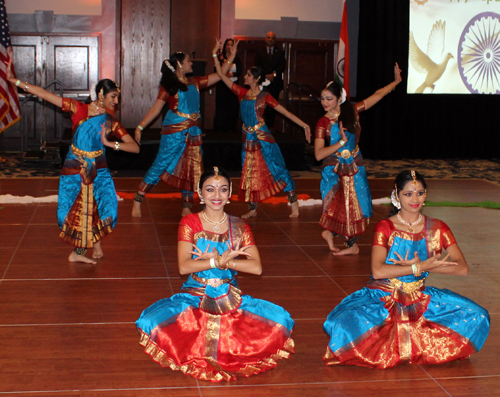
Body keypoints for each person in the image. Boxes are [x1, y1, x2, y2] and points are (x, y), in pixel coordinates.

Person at [136, 167, 295, 382]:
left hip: (230, 296)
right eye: (210, 190)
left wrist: (227, 261)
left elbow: (256, 267)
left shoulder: (239, 226)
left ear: (230, 194)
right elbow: (184, 267)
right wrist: (217, 261)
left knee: (281, 321)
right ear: (200, 193)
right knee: (151, 321)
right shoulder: (190, 223)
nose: (217, 195)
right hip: (196, 294)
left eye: (223, 189)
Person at [323, 170, 490, 368]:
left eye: (420, 193)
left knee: (478, 315)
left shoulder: (438, 227)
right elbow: (378, 271)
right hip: (383, 296)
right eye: (408, 194)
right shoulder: (385, 227)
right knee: (345, 324)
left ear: (426, 194)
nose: (415, 199)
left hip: (420, 296)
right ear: (397, 195)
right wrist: (417, 267)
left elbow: (461, 268)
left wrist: (425, 267)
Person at [5, 59, 140, 264]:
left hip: (99, 167)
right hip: (74, 164)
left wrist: (110, 144)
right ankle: (79, 252)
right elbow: (43, 94)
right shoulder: (78, 109)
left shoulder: (111, 122)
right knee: (71, 211)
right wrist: (13, 80)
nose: (116, 102)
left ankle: (92, 243)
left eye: (117, 98)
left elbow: (135, 147)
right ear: (101, 95)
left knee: (108, 210)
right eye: (113, 97)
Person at [132, 41, 233, 217]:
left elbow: (220, 75)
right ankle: (138, 199)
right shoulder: (169, 87)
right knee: (161, 163)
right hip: (174, 131)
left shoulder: (194, 82)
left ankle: (187, 205)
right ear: (179, 64)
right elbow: (156, 109)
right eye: (188, 61)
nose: (191, 63)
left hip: (194, 131)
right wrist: (139, 128)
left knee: (192, 167)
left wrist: (222, 55)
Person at [215, 40, 311, 218]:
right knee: (249, 171)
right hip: (247, 138)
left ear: (256, 78)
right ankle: (253, 208)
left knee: (277, 167)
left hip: (263, 137)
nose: (245, 77)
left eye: (249, 75)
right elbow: (221, 75)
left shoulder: (265, 96)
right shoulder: (242, 93)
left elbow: (285, 113)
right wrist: (223, 54)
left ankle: (293, 201)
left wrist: (304, 124)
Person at [315, 63, 402, 255]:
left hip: (354, 166)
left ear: (339, 98)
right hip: (334, 169)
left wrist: (395, 82)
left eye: (329, 98)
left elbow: (377, 96)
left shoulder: (352, 112)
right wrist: (340, 143)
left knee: (357, 207)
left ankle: (340, 238)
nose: (324, 102)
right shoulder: (322, 123)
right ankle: (348, 243)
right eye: (322, 99)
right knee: (338, 207)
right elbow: (318, 154)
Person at [255, 31, 286, 130]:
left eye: (272, 38)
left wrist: (273, 74)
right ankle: (262, 126)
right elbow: (257, 65)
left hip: (275, 84)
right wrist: (265, 76)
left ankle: (270, 127)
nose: (270, 39)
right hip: (263, 84)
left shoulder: (280, 52)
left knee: (273, 105)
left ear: (275, 40)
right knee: (262, 105)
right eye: (269, 37)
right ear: (265, 39)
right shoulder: (260, 51)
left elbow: (282, 66)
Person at [213, 38, 242, 133]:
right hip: (222, 87)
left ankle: (232, 130)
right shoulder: (220, 57)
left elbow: (239, 71)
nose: (229, 47)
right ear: (224, 46)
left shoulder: (237, 58)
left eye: (231, 45)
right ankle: (220, 130)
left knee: (233, 108)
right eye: (227, 45)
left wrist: (231, 74)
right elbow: (216, 71)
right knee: (221, 109)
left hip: (233, 86)